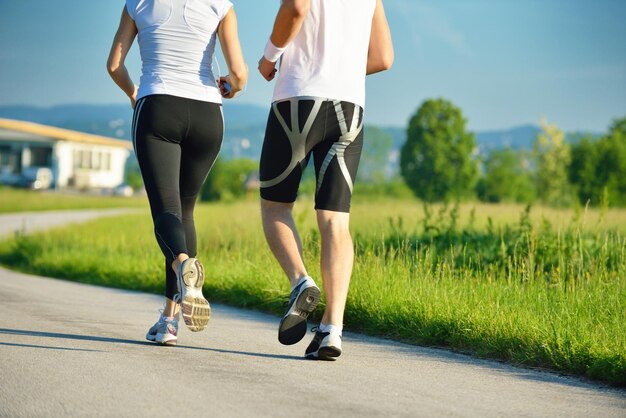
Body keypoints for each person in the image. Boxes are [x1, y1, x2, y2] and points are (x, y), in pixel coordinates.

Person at [258, 0, 393, 360]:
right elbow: (383, 57)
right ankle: (333, 329)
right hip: (349, 106)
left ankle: (301, 281)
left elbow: (297, 7)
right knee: (335, 220)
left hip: (297, 99)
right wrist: (342, 71)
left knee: (275, 208)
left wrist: (270, 57)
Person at [107, 0, 247, 346]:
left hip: (158, 106)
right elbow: (239, 74)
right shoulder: (221, 5)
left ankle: (183, 264)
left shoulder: (139, 3)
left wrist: (133, 93)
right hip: (207, 115)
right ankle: (169, 320)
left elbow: (114, 65)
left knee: (166, 213)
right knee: (185, 213)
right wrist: (231, 85)